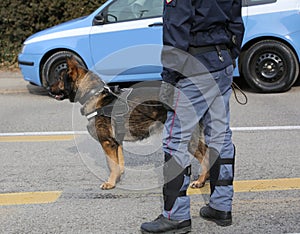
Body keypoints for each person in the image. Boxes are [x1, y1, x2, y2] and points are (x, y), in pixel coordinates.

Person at [140, 0, 244, 233]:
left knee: (175, 141)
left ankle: (175, 217)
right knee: (220, 136)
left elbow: (176, 30)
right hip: (221, 63)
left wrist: (170, 78)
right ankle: (221, 206)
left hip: (193, 69)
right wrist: (229, 57)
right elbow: (236, 24)